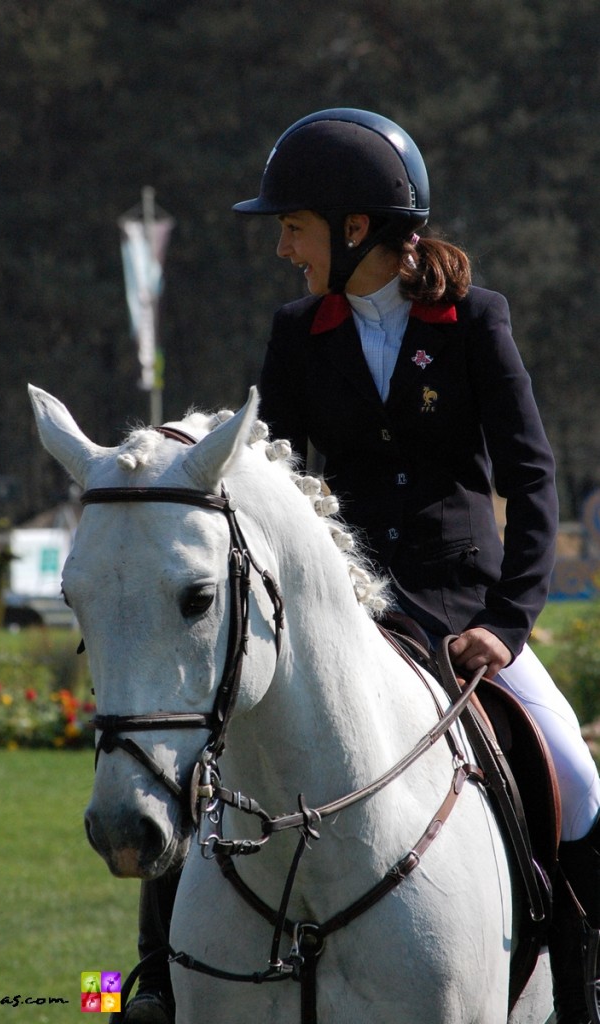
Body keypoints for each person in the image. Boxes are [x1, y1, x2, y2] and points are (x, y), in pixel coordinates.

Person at [122, 108, 600, 1024]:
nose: (282, 250)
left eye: (291, 228)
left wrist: (505, 625)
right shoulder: (299, 330)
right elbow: (280, 481)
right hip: (334, 610)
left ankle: (578, 991)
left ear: (354, 230)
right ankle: (152, 986)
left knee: (573, 775)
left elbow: (530, 476)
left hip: (459, 607)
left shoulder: (471, 321)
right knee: (205, 768)